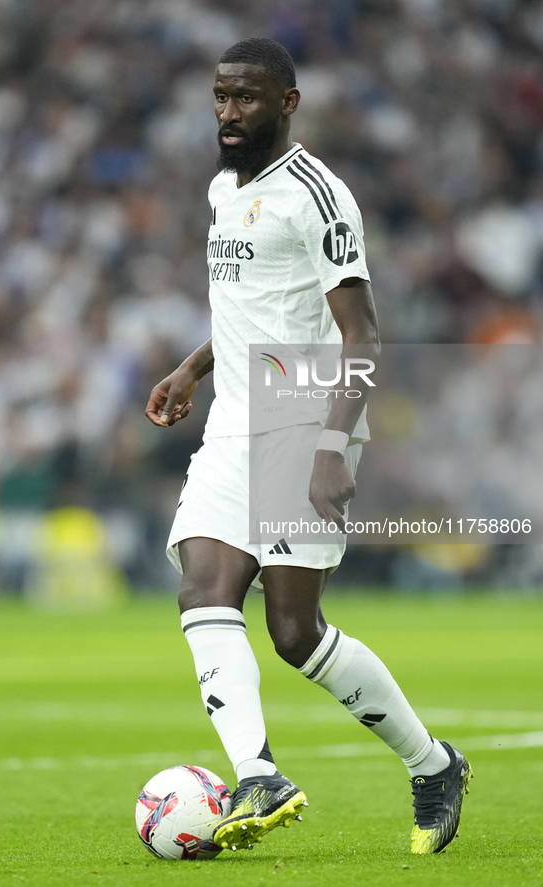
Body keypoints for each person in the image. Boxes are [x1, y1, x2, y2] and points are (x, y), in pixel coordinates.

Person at [145, 37, 472, 855]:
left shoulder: (319, 196)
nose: (228, 112)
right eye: (220, 96)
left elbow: (361, 332)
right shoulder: (224, 189)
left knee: (294, 632)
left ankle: (434, 765)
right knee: (204, 585)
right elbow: (247, 305)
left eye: (246, 98)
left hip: (306, 410)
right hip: (232, 417)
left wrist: (332, 446)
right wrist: (191, 367)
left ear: (286, 102)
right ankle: (256, 772)